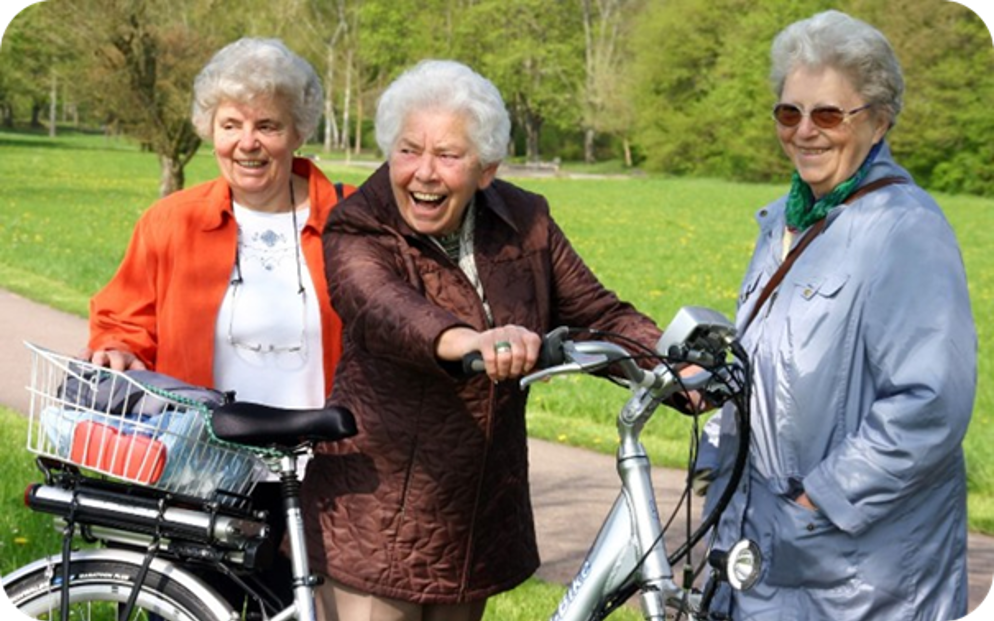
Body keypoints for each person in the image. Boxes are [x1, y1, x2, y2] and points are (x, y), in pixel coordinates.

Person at [301, 59, 663, 621]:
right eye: (408, 150)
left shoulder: (525, 219)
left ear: (486, 169)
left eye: (448, 156)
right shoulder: (358, 224)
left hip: (475, 514)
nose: (423, 173)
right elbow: (384, 308)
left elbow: (596, 313)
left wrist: (677, 362)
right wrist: (470, 341)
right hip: (376, 513)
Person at [702, 10, 977, 620]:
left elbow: (930, 404)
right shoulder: (785, 221)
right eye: (789, 113)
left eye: (828, 115)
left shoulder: (905, 230)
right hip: (770, 548)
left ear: (878, 120)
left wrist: (819, 501)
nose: (805, 131)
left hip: (859, 575)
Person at [83, 37, 354, 614]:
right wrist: (117, 346)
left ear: (297, 131)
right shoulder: (172, 222)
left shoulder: (349, 221)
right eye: (231, 125)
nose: (247, 143)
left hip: (322, 476)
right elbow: (122, 317)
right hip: (201, 471)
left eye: (267, 125)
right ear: (211, 129)